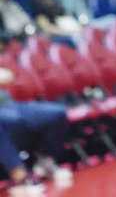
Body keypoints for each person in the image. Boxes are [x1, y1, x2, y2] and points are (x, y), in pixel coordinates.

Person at [0, 65, 72, 196]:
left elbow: (7, 76)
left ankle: (45, 160)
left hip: (8, 106)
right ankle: (21, 180)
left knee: (56, 113)